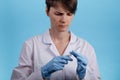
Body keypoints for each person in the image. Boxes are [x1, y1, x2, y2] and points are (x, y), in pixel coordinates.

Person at [11, 0, 101, 80]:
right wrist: (42, 73)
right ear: (47, 11)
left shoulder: (86, 47)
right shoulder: (31, 45)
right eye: (58, 14)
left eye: (69, 14)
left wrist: (84, 76)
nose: (64, 20)